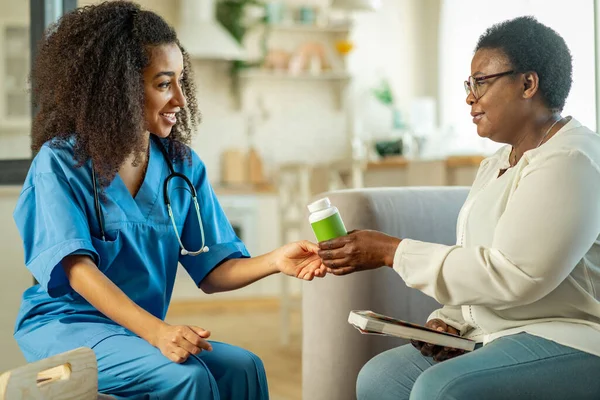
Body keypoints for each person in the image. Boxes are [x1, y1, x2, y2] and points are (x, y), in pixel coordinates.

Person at [12, 2, 326, 399]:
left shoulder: (181, 166)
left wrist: (276, 261)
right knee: (186, 378)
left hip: (133, 329)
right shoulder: (60, 162)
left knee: (245, 367)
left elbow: (213, 271)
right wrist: (158, 332)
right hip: (67, 327)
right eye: (163, 84)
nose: (180, 98)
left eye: (181, 81)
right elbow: (76, 270)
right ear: (118, 88)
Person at [317, 16, 600, 400]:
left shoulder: (572, 158)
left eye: (481, 82)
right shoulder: (497, 163)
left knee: (440, 389)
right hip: (495, 333)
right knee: (380, 377)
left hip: (571, 336)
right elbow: (478, 258)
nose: (470, 96)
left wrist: (390, 251)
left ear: (527, 84)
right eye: (469, 84)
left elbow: (516, 274)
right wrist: (449, 321)